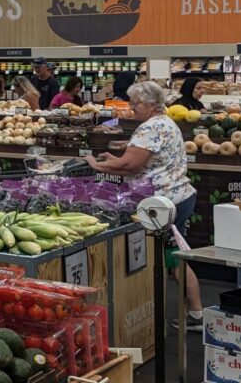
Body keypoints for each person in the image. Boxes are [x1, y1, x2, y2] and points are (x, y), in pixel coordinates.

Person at [85, 82, 204, 329]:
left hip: (161, 204)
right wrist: (115, 161)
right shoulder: (166, 122)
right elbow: (140, 163)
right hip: (178, 196)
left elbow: (131, 165)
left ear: (151, 104)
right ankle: (191, 312)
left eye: (135, 103)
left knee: (173, 260)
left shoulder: (150, 127)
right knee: (174, 257)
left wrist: (98, 165)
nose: (132, 108)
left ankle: (194, 313)